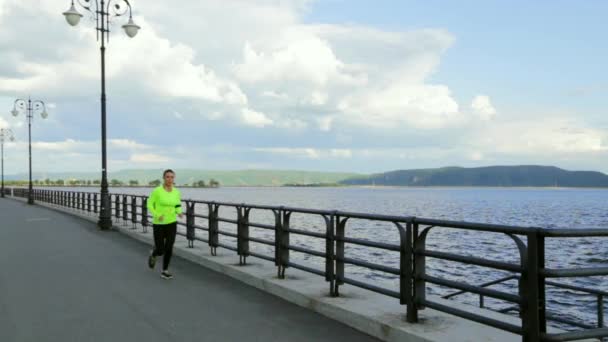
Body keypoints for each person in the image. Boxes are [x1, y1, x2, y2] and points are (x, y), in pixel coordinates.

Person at [147, 169, 183, 279]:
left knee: (169, 247)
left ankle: (165, 270)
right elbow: (149, 204)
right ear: (164, 178)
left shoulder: (176, 192)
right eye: (167, 177)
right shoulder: (157, 191)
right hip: (159, 223)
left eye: (172, 177)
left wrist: (180, 213)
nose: (170, 179)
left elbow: (177, 204)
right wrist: (157, 214)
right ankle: (154, 253)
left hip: (172, 223)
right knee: (161, 250)